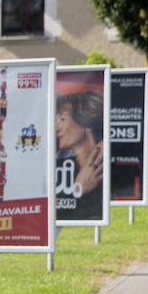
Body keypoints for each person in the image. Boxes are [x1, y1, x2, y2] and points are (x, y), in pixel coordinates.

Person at [55, 91, 105, 221]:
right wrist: (79, 189)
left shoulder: (108, 165)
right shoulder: (59, 166)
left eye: (62, 119)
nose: (56, 127)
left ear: (86, 125)